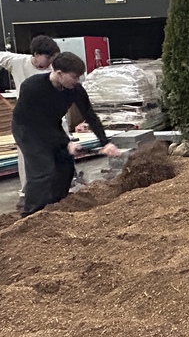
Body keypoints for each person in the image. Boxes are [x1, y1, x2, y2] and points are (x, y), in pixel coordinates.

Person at [12, 51, 122, 217]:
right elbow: (37, 122)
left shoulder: (75, 89)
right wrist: (65, 142)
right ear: (59, 73)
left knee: (65, 165)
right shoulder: (32, 87)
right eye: (74, 77)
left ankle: (56, 205)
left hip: (51, 125)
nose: (78, 81)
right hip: (28, 128)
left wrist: (105, 142)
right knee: (43, 170)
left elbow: (89, 114)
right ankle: (31, 215)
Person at [0, 35, 61, 199]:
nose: (50, 62)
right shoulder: (17, 61)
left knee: (59, 150)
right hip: (26, 119)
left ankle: (61, 187)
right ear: (36, 54)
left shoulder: (54, 70)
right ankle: (28, 192)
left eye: (52, 58)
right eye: (47, 58)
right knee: (27, 155)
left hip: (51, 116)